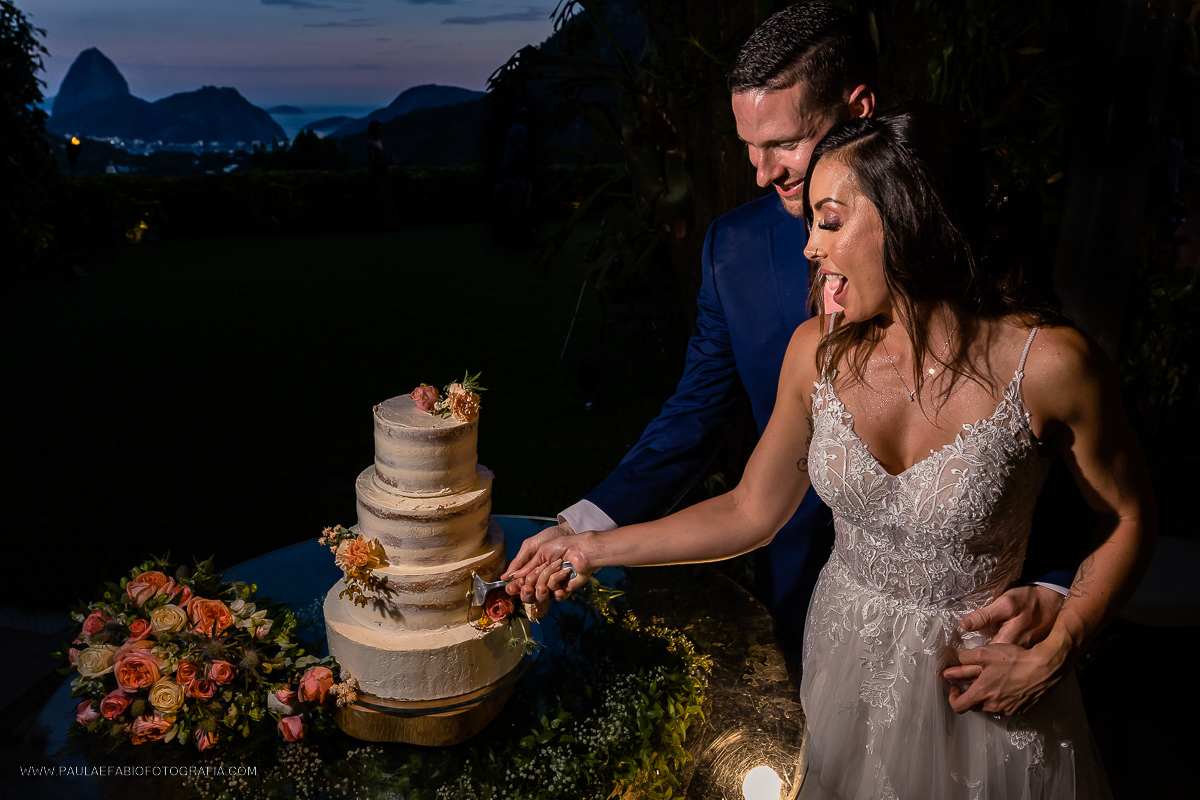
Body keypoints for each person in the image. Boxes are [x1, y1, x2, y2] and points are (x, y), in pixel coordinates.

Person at [510, 103, 1156, 798]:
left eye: (830, 220)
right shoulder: (813, 355)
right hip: (842, 671)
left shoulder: (1050, 365)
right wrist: (590, 549)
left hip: (982, 697)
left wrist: (1061, 647)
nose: (810, 248)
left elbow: (1128, 519)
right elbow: (752, 508)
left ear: (907, 215)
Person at [513, 2, 1073, 651]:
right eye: (749, 147)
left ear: (858, 109)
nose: (761, 172)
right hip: (805, 589)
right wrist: (583, 530)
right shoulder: (734, 250)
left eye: (782, 143)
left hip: (982, 614)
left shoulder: (971, 236)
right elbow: (695, 417)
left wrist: (1058, 591)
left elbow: (1044, 423)